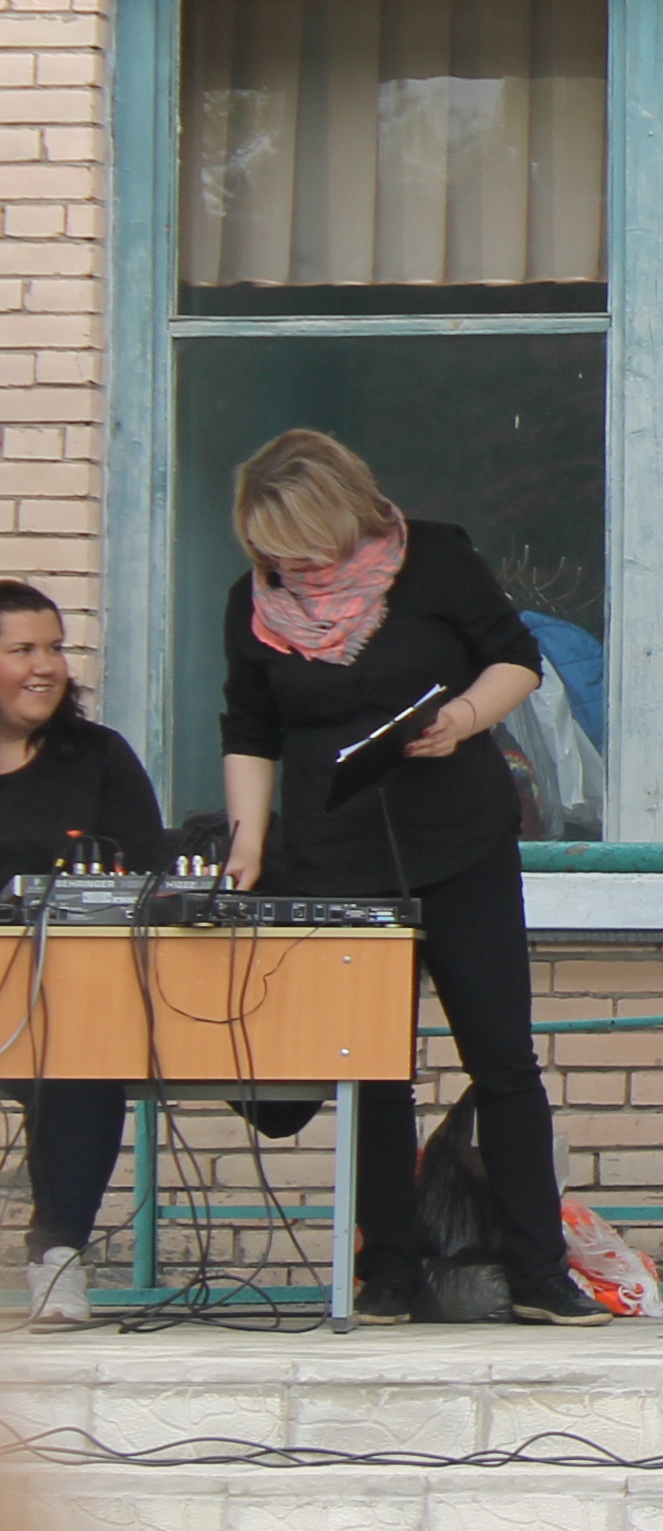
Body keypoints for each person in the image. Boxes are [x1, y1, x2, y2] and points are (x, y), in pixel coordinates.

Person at [219, 431, 603, 1325]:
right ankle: (387, 1268)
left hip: (460, 840)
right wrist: (247, 845)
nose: (292, 567)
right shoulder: (253, 602)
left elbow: (516, 660)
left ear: (341, 513)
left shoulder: (434, 559)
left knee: (502, 1059)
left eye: (304, 544)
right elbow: (249, 729)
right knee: (371, 1067)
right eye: (273, 551)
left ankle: (537, 1270)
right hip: (336, 854)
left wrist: (462, 719)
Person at [0, 584, 165, 1329]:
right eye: (22, 650)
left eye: (55, 648)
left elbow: (147, 874)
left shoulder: (99, 756)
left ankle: (58, 1255)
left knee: (80, 1056)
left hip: (71, 995)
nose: (46, 666)